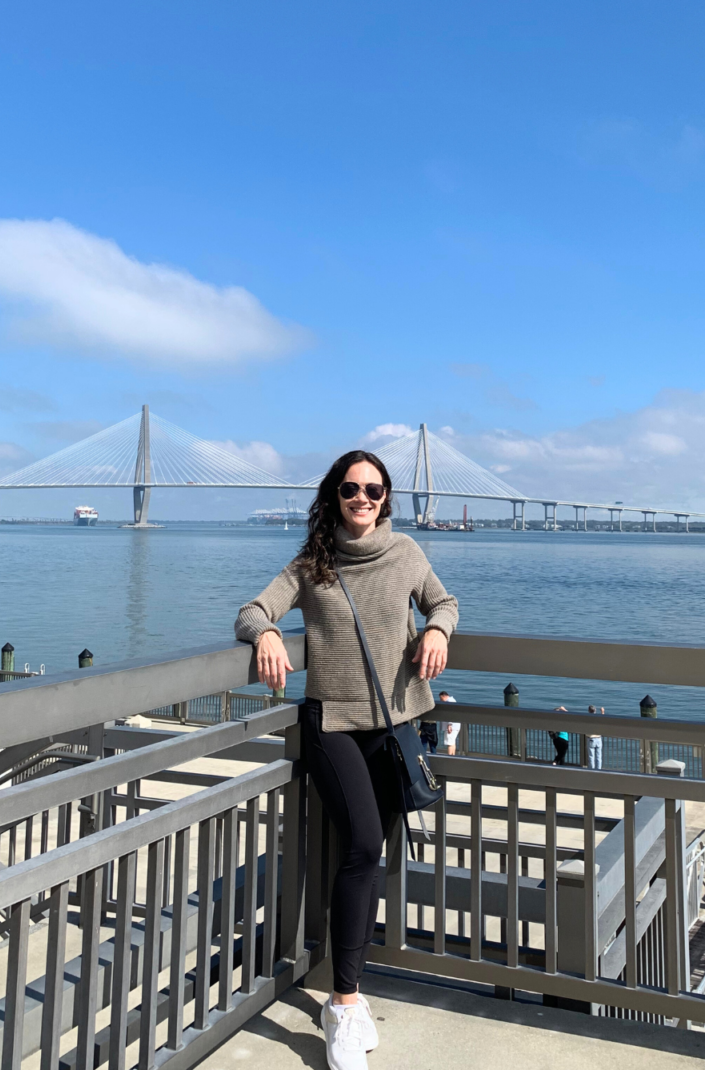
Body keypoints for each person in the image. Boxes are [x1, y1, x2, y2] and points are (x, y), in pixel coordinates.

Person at [235, 450, 458, 1070]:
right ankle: (342, 1001)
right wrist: (270, 633)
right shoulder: (312, 564)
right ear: (333, 494)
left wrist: (437, 630)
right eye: (352, 488)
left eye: (375, 489)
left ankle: (350, 998)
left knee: (371, 853)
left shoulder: (407, 553)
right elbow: (252, 610)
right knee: (362, 845)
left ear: (387, 497)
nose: (363, 498)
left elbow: (445, 602)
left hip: (392, 725)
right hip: (331, 723)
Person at [438, 690, 459, 754]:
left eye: (440, 698)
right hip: (456, 726)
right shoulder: (453, 700)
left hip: (451, 726)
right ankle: (453, 756)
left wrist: (449, 725)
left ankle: (449, 757)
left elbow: (451, 714)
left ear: (443, 696)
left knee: (449, 743)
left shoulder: (449, 702)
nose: (440, 700)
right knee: (452, 742)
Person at [587, 705, 605, 769]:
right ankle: (599, 770)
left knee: (591, 756)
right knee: (599, 756)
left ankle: (592, 770)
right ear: (595, 710)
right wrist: (602, 712)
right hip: (599, 738)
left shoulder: (587, 719)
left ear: (588, 711)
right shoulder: (598, 718)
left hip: (591, 738)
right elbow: (603, 719)